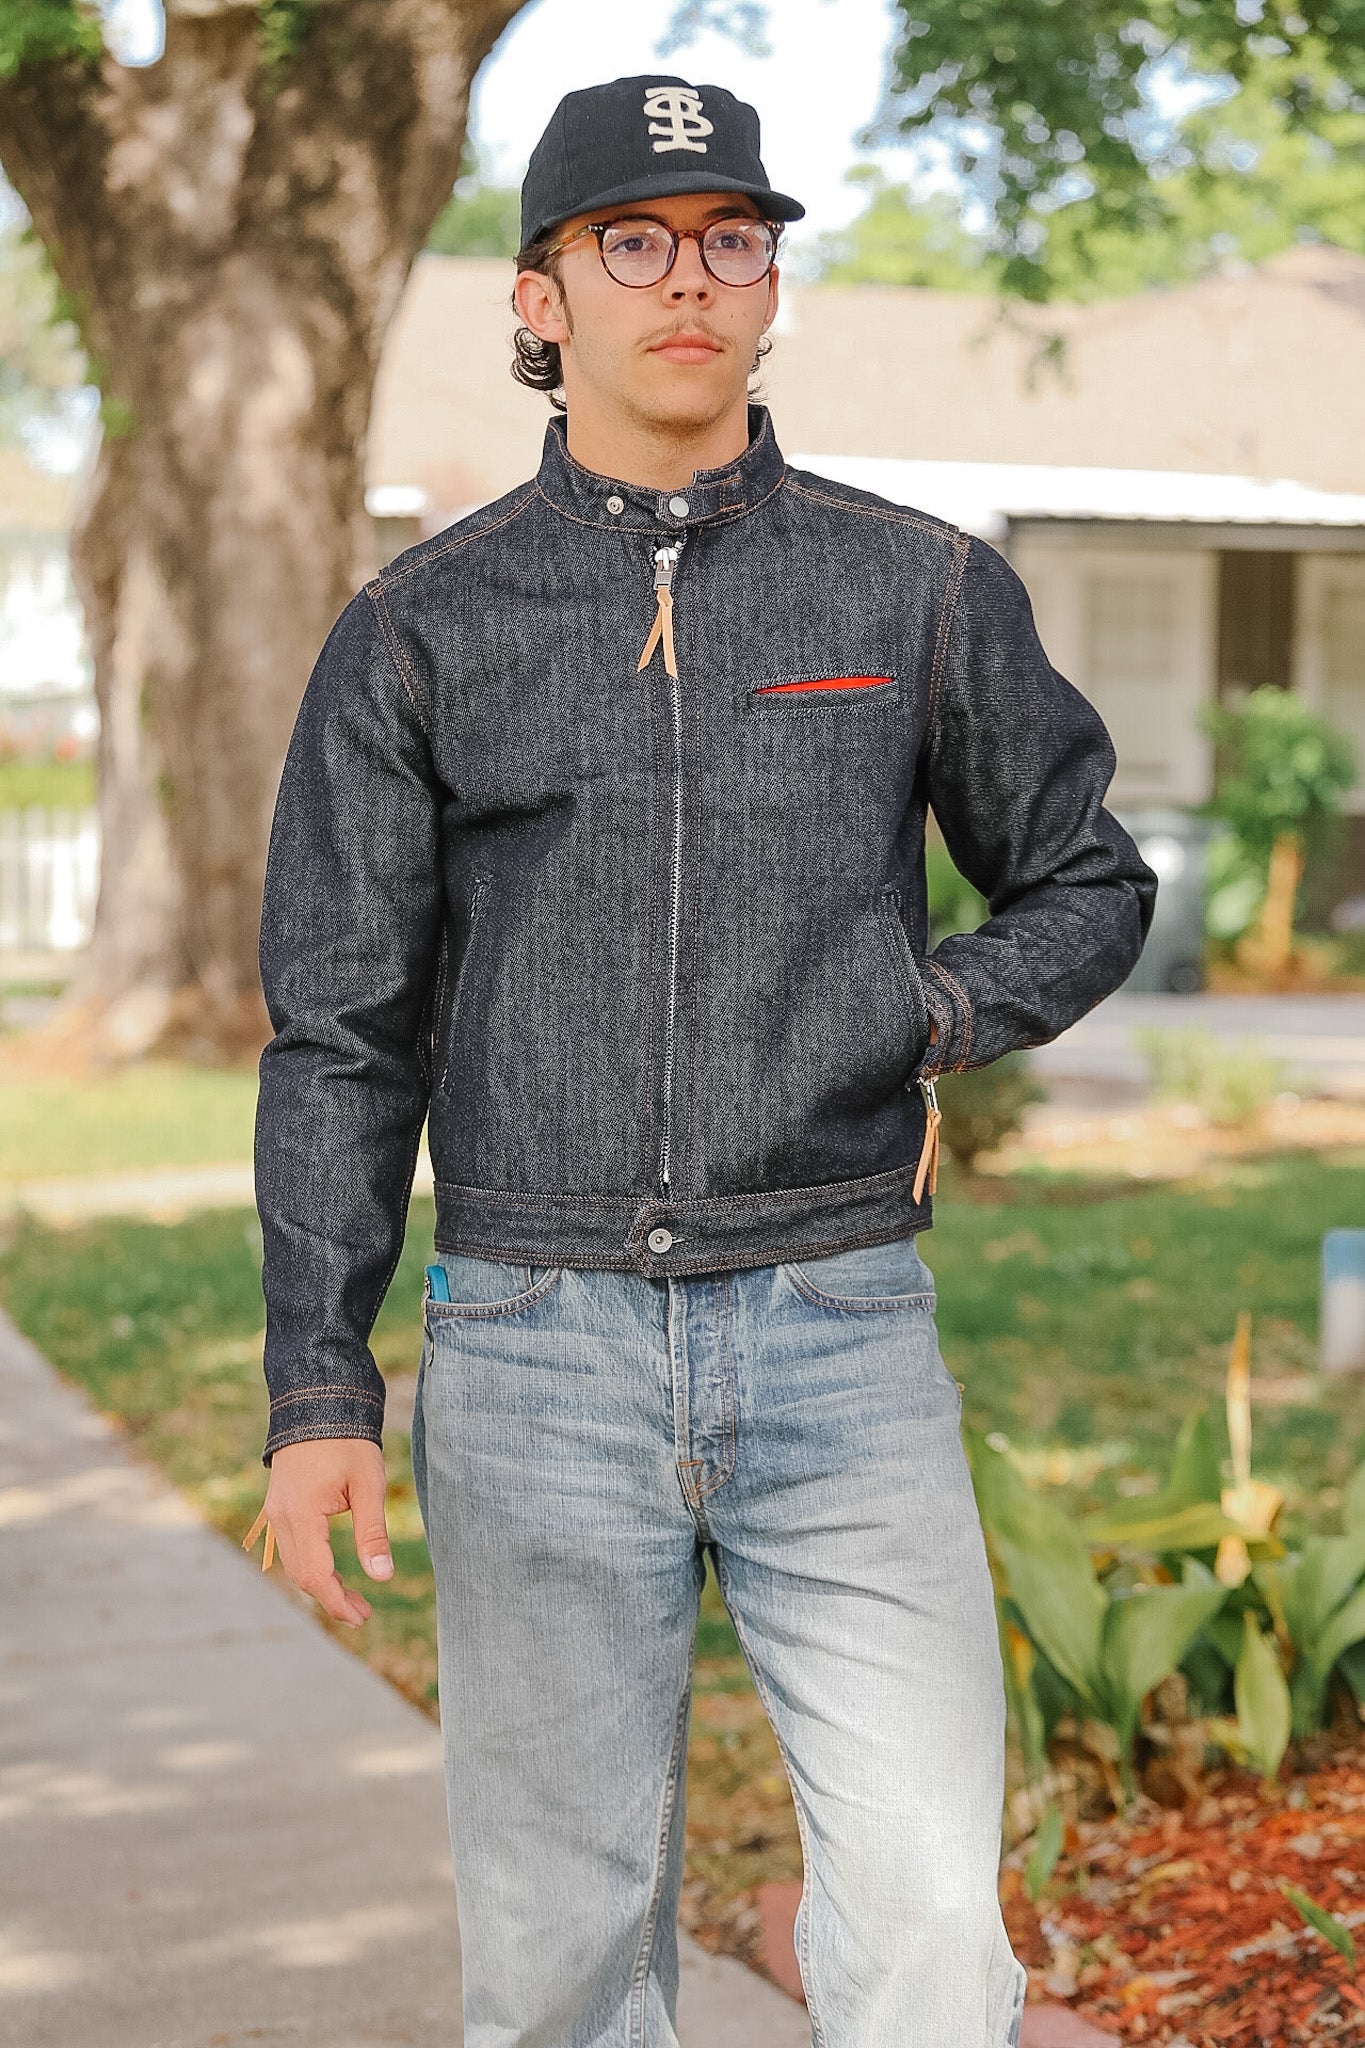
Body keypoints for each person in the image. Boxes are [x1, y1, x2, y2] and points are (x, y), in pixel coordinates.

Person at [245, 72, 1157, 2048]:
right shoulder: (420, 630)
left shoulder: (914, 589)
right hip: (533, 1344)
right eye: (633, 241)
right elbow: (340, 1034)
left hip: (840, 1331)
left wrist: (933, 1015)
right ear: (539, 298)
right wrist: (320, 1385)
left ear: (768, 288)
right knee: (561, 1960)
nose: (688, 278)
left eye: (731, 239)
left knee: (928, 1921)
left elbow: (1085, 876)